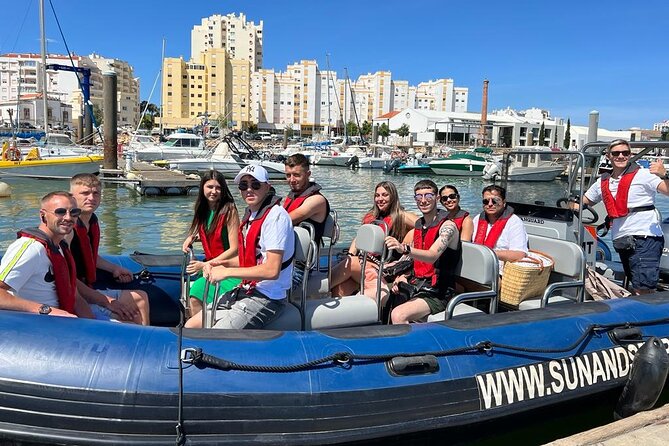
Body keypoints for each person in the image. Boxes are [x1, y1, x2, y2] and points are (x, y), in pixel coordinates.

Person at [186, 165, 295, 329]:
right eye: (244, 185)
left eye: (255, 184)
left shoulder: (276, 217)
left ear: (267, 186)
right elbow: (250, 259)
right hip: (246, 289)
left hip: (267, 297)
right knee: (191, 325)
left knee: (215, 335)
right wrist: (217, 264)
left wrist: (226, 272)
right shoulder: (252, 216)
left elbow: (271, 270)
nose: (249, 189)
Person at [582, 139, 669, 294]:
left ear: (630, 155)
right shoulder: (603, 181)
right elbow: (584, 201)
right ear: (608, 156)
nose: (621, 156)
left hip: (645, 238)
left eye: (625, 153)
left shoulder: (644, 175)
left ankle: (646, 314)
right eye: (616, 153)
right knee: (635, 283)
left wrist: (665, 174)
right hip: (622, 239)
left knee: (643, 289)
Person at [67, 173, 150, 325]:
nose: (91, 198)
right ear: (71, 197)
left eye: (96, 193)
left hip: (88, 287)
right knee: (130, 313)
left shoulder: (91, 221)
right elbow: (66, 275)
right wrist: (105, 300)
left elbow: (90, 257)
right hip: (76, 294)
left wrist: (114, 268)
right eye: (85, 193)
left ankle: (146, 342)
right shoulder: (68, 229)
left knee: (141, 298)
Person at [384, 180, 461, 324]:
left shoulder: (448, 227)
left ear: (437, 198)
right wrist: (402, 275)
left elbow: (432, 256)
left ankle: (409, 346)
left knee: (398, 315)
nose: (423, 201)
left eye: (428, 196)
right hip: (419, 284)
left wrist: (403, 248)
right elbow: (415, 261)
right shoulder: (420, 226)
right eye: (419, 197)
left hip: (440, 293)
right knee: (380, 293)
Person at [330, 181, 417, 303]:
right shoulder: (371, 217)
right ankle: (340, 318)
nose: (380, 199)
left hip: (385, 267)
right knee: (340, 288)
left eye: (385, 195)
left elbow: (425, 226)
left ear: (393, 196)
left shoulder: (401, 217)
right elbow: (358, 238)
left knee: (351, 263)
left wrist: (406, 271)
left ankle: (318, 288)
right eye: (377, 195)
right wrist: (350, 254)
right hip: (366, 264)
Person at [0, 191, 79, 317]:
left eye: (74, 212)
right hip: (42, 325)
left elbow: (74, 295)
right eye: (60, 212)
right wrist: (45, 309)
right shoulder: (31, 249)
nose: (68, 218)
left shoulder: (59, 247)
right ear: (43, 216)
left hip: (67, 321)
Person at [181, 170, 241, 323]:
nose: (214, 191)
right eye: (209, 187)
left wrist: (206, 264)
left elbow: (234, 248)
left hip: (228, 270)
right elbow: (211, 232)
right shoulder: (203, 210)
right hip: (211, 266)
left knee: (194, 295)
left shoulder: (229, 211)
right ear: (202, 188)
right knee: (191, 291)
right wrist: (193, 237)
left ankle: (202, 333)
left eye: (218, 188)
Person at [471, 185, 528, 273]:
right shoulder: (477, 219)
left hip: (500, 272)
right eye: (486, 201)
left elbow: (519, 254)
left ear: (504, 202)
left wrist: (487, 253)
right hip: (477, 266)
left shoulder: (514, 222)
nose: (490, 204)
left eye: (495, 201)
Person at [283, 153, 330, 242]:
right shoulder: (293, 195)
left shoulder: (316, 200)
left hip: (302, 254)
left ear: (308, 174)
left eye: (296, 175)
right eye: (288, 175)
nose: (292, 180)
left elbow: (285, 221)